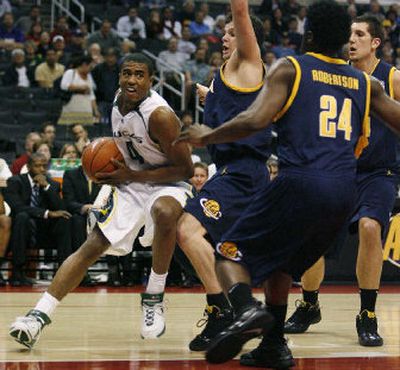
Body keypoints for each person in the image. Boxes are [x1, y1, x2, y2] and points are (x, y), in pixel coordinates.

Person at [175, 0, 400, 366]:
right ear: (344, 40)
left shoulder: (291, 68)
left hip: (300, 182)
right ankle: (274, 345)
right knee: (281, 265)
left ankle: (248, 312)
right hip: (344, 193)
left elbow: (254, 120)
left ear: (307, 34)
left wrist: (208, 134)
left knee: (228, 255)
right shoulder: (365, 82)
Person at [9, 52, 193, 348]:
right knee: (91, 245)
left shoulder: (159, 115)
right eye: (127, 73)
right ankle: (37, 316)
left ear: (151, 80)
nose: (132, 79)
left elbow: (185, 169)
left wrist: (130, 177)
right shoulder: (118, 100)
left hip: (169, 181)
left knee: (164, 211)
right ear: (119, 76)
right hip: (132, 181)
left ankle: (154, 296)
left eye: (139, 74)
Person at [284, 15, 400, 348]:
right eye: (349, 34)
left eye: (360, 34)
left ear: (375, 42)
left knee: (369, 227)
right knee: (311, 233)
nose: (352, 40)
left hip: (379, 171)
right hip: (337, 169)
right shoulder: (334, 75)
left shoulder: (391, 78)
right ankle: (308, 304)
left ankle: (367, 314)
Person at [176, 0, 271, 352]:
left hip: (243, 171)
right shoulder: (225, 76)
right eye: (224, 32)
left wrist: (238, 12)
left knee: (187, 229)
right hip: (233, 170)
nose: (224, 36)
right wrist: (207, 94)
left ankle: (226, 311)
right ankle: (237, 311)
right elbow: (230, 105)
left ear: (248, 39)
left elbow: (242, 13)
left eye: (232, 33)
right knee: (222, 250)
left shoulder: (249, 62)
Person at [4, 152, 72, 287]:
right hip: (24, 230)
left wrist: (46, 187)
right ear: (28, 167)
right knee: (22, 217)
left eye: (44, 166)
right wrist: (47, 213)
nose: (41, 169)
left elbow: (61, 208)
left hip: (46, 231)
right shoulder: (15, 181)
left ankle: (63, 273)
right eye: (37, 166)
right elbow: (17, 208)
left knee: (65, 219)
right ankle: (18, 273)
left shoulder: (52, 184)